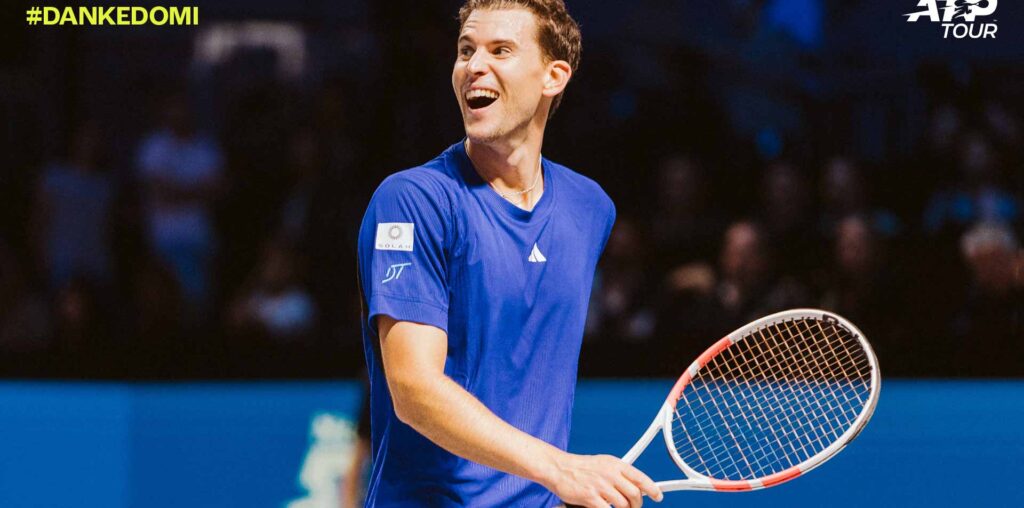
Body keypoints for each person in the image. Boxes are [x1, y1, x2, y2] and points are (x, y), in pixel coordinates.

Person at [355, 1, 663, 506]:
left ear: (553, 77)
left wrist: (558, 483)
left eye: (501, 50)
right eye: (466, 50)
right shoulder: (413, 200)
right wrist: (558, 467)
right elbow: (412, 388)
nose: (475, 66)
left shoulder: (590, 209)